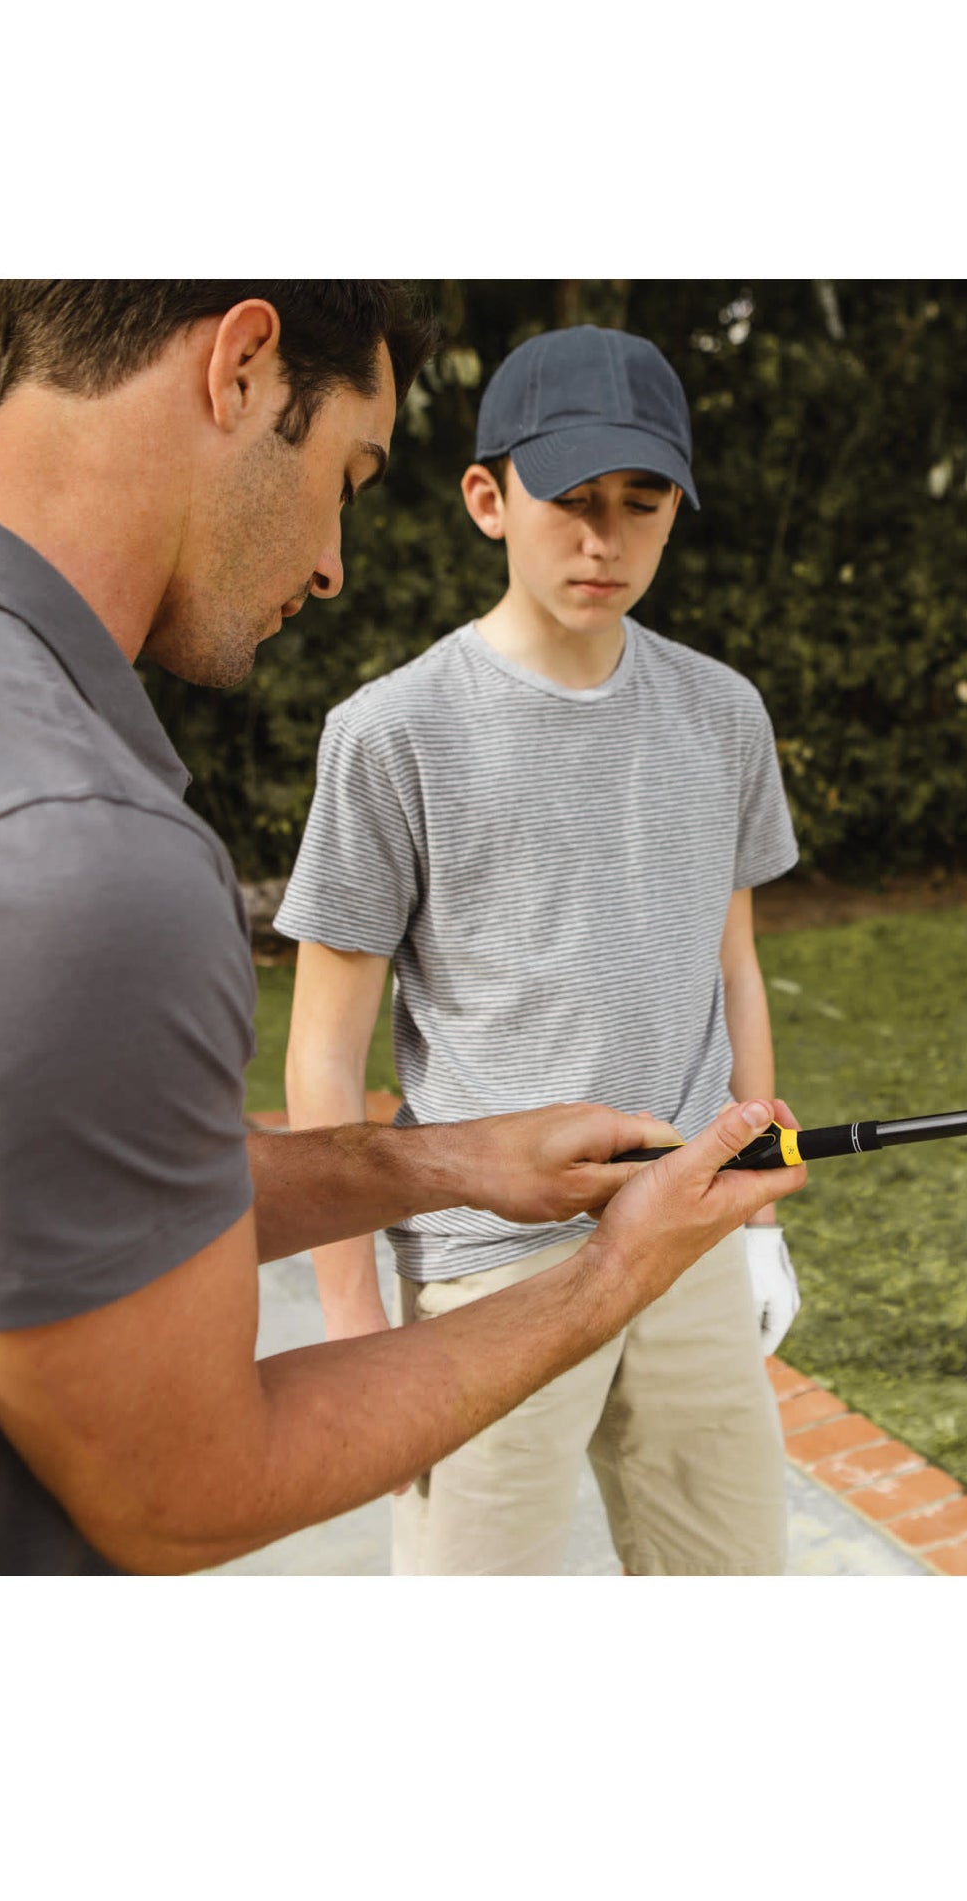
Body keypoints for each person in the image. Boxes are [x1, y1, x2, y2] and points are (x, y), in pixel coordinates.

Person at [0, 282, 802, 1576]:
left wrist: (432, 1163)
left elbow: (40, 1186)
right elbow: (188, 1492)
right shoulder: (65, 852)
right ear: (244, 366)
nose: (330, 562)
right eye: (349, 476)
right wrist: (611, 1272)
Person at [278, 323, 804, 1576]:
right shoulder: (389, 734)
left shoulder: (723, 713)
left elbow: (731, 970)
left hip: (685, 1240)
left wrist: (760, 1213)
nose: (604, 538)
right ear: (485, 497)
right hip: (483, 1277)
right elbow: (321, 1059)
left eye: (642, 501)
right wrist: (355, 1325)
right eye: (569, 500)